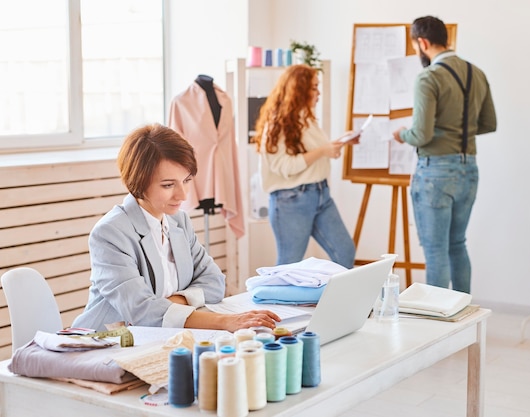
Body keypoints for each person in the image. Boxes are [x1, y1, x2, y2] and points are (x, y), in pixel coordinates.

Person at [72, 123, 280, 332]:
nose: (183, 195)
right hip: (106, 344)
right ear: (138, 182)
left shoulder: (179, 221)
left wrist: (173, 303)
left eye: (187, 180)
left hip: (162, 337)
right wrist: (225, 321)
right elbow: (142, 312)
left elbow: (215, 282)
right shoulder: (110, 234)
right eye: (168, 185)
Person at [392, 16, 497, 293]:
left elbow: (422, 135)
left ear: (423, 43)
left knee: (436, 251)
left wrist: (402, 133)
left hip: (436, 173)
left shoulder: (429, 78)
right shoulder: (477, 73)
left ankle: (436, 330)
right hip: (469, 170)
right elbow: (489, 124)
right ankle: (463, 321)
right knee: (457, 245)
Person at [253, 64, 358, 269]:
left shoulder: (305, 118)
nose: (318, 92)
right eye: (314, 87)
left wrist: (337, 144)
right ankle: (273, 301)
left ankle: (334, 301)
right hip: (291, 200)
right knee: (288, 265)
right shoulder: (277, 124)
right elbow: (285, 166)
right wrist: (323, 151)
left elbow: (313, 153)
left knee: (345, 252)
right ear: (299, 90)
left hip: (320, 194)